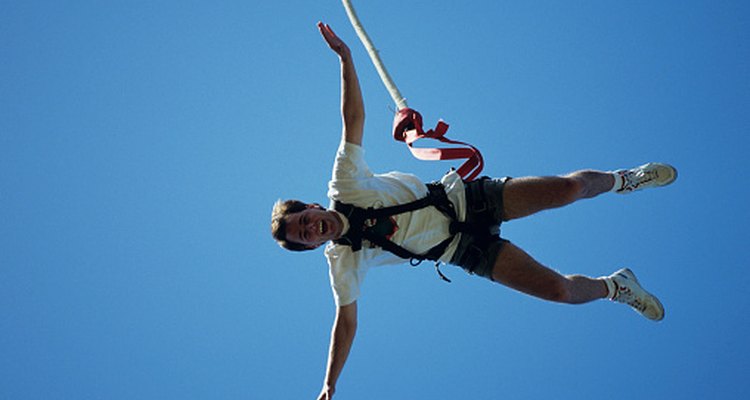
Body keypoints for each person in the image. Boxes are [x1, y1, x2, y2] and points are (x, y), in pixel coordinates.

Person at [271, 22, 677, 400]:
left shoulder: (344, 183)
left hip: (468, 199)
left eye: (304, 220)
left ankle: (624, 180)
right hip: (464, 251)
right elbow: (345, 324)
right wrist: (329, 383)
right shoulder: (343, 262)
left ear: (312, 207)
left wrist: (345, 57)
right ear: (312, 245)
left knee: (569, 189)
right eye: (305, 235)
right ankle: (616, 287)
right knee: (559, 292)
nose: (311, 228)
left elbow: (353, 119)